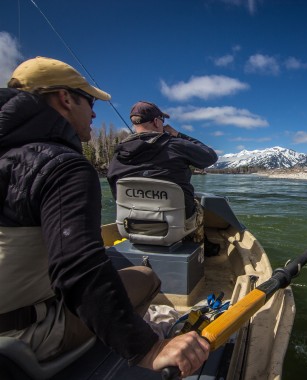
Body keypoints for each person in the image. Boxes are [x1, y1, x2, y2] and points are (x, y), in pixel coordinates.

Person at [0, 56, 209, 377]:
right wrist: (147, 348)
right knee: (147, 275)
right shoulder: (61, 165)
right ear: (65, 98)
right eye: (89, 100)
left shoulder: (115, 157)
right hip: (24, 334)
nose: (94, 111)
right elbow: (78, 271)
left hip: (130, 227)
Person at [106, 101, 218, 237]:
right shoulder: (176, 146)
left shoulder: (118, 156)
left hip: (131, 227)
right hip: (177, 226)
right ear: (156, 122)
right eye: (162, 120)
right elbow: (210, 156)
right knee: (198, 205)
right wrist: (177, 134)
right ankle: (198, 244)